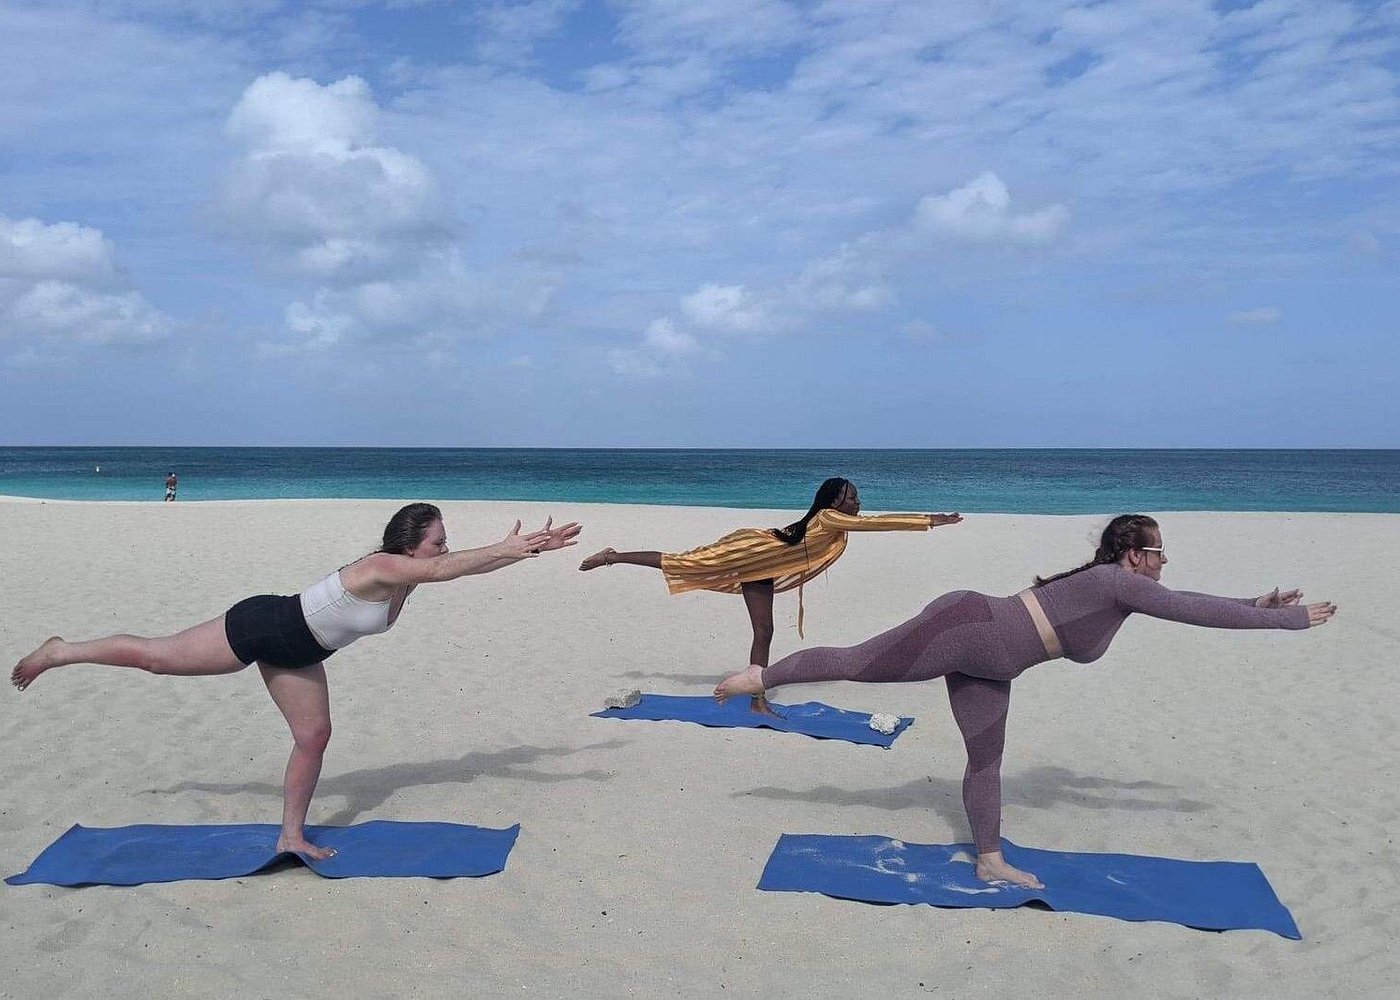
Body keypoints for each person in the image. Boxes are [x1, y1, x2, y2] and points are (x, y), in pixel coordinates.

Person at [715, 514, 1336, 888]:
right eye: (1159, 552)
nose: (1164, 562)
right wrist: (1289, 622)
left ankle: (990, 860)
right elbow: (1190, 611)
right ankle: (759, 678)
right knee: (857, 664)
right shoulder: (1118, 582)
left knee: (987, 760)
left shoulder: (1119, 587)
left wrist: (1256, 605)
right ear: (1133, 556)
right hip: (969, 627)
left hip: (994, 664)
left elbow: (1191, 600)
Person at [11, 503, 582, 860]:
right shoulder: (384, 567)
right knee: (158, 659)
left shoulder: (413, 574)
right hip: (264, 625)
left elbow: (458, 568)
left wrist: (528, 551)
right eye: (438, 539)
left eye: (445, 539)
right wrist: (508, 546)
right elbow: (443, 568)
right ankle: (62, 652)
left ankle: (291, 835)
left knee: (314, 736)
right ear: (409, 545)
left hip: (300, 650)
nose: (445, 547)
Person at [579, 478, 962, 708]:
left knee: (764, 632)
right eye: (853, 497)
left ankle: (757, 697)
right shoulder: (830, 517)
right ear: (834, 502)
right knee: (687, 562)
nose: (858, 503)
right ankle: (613, 556)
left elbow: (871, 522)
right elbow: (881, 524)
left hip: (764, 569)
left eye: (857, 498)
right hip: (753, 552)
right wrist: (930, 520)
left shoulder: (835, 522)